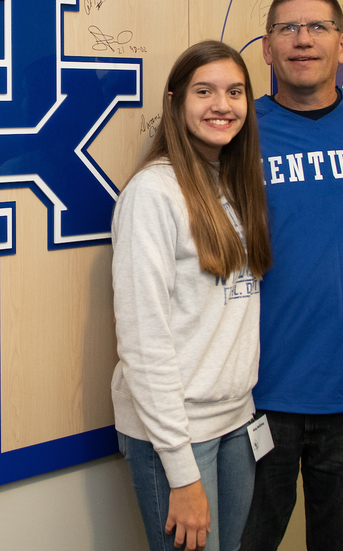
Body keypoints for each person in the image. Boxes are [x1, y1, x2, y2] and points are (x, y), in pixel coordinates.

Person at [241, 0, 343, 551]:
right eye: (287, 29)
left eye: (318, 27)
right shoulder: (237, 130)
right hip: (259, 395)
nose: (302, 40)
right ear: (266, 48)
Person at [112, 40, 273, 551]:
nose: (221, 105)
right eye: (204, 91)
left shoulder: (233, 183)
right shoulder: (152, 194)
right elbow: (143, 341)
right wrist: (181, 472)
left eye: (235, 92)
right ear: (176, 100)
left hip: (234, 421)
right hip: (177, 435)